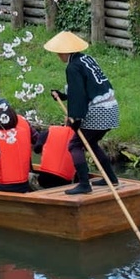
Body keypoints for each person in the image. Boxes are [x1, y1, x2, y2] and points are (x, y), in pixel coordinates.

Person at [44, 30, 120, 195]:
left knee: (75, 145)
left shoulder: (73, 67)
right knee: (91, 143)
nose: (58, 55)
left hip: (99, 111)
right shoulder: (86, 59)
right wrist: (63, 96)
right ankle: (111, 177)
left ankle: (84, 184)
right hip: (111, 108)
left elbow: (79, 94)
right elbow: (85, 87)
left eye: (59, 52)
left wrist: (75, 117)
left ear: (66, 52)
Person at [32, 123, 76, 189]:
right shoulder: (79, 138)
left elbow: (37, 149)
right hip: (65, 181)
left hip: (45, 176)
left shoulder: (49, 131)